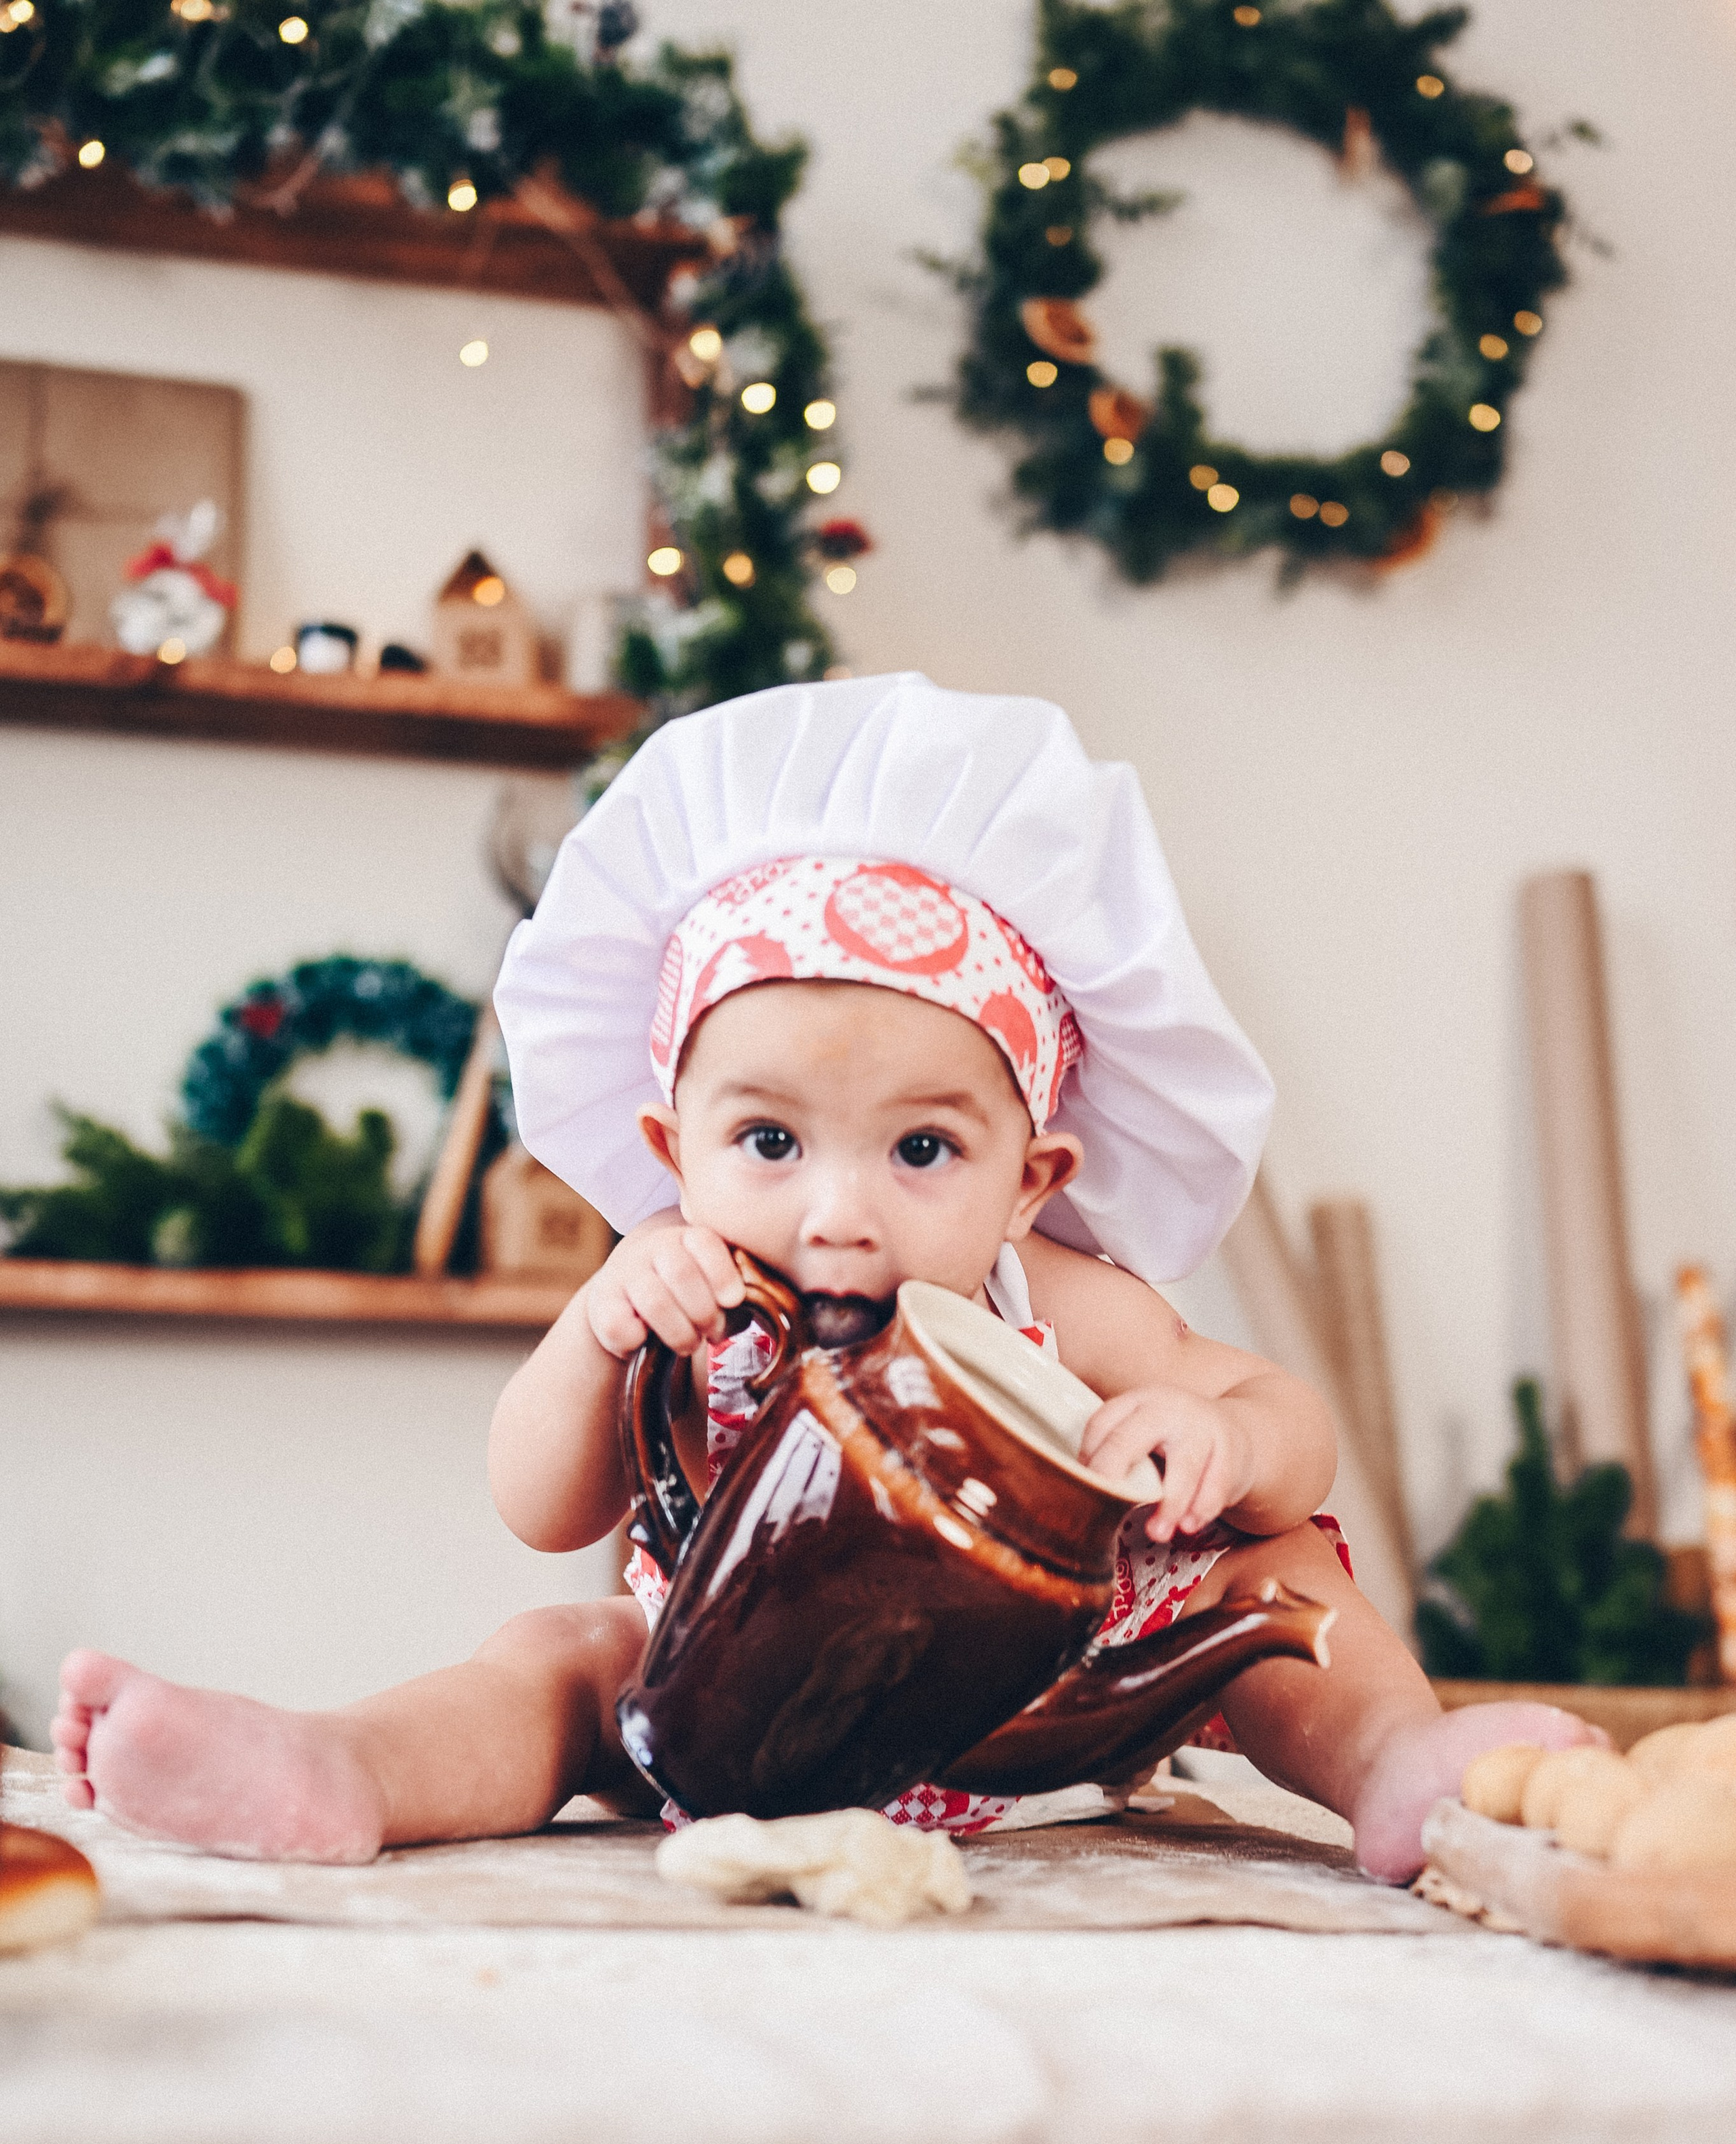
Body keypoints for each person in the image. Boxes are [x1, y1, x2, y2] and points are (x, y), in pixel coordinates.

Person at [52, 675, 1598, 1879]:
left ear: (1027, 1177)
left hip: (1042, 1717)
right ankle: (341, 1771)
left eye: (919, 1152)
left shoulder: (1055, 1300)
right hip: (736, 1711)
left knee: (1274, 1586)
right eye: (770, 1141)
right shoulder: (681, 1288)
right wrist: (596, 1334)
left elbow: (1283, 1424)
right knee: (564, 1657)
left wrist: (1228, 1443)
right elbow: (540, 1509)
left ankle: (1398, 1764)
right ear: (673, 1144)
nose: (836, 1213)